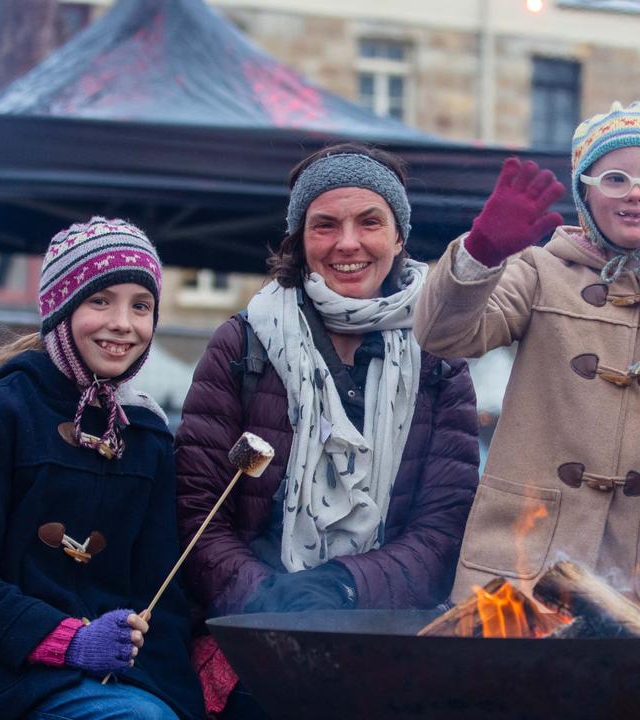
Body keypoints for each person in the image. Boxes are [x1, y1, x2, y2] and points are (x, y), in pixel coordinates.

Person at [415, 101, 640, 616]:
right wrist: (481, 253)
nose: (636, 193)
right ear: (585, 189)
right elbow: (443, 334)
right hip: (526, 562)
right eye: (614, 178)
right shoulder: (537, 271)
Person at [175, 142, 479, 717]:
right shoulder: (243, 345)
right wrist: (266, 597)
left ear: (397, 236)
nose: (347, 243)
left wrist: (344, 586)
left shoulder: (440, 354)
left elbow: (445, 526)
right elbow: (197, 513)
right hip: (255, 638)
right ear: (299, 240)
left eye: (370, 222)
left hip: (392, 640)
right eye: (325, 225)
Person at [0, 218, 204, 719]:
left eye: (141, 306)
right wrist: (70, 641)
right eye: (100, 300)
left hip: (107, 679)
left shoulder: (145, 437)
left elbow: (159, 594)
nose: (123, 322)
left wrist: (181, 701)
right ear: (60, 307)